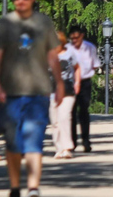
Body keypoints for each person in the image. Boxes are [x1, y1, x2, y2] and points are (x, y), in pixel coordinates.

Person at [0, 0, 64, 197]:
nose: (20, 1)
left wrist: (59, 83)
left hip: (38, 92)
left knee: (34, 140)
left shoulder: (43, 23)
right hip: (10, 93)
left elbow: (52, 56)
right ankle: (15, 187)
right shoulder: (5, 24)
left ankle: (33, 187)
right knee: (13, 143)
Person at [49, 31, 80, 159]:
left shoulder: (69, 54)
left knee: (64, 116)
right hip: (52, 90)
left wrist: (77, 82)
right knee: (55, 121)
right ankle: (59, 148)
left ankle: (67, 148)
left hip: (67, 89)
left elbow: (78, 67)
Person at [69, 26, 100, 152]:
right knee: (70, 112)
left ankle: (86, 141)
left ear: (82, 35)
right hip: (70, 83)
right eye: (72, 38)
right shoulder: (68, 48)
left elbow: (95, 64)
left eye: (77, 37)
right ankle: (72, 142)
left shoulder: (90, 47)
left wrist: (87, 74)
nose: (75, 40)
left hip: (85, 82)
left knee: (84, 111)